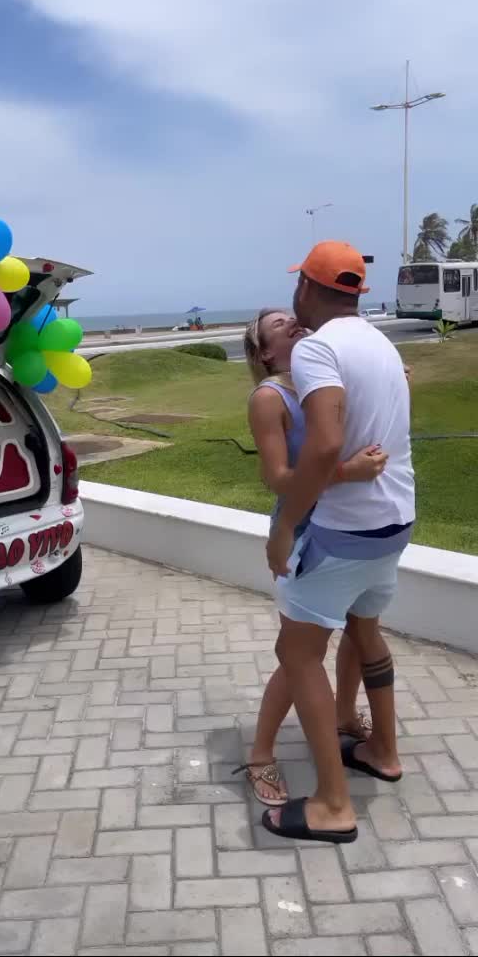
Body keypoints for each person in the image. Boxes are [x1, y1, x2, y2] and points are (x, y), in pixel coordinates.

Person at [265, 241, 414, 844]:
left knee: (298, 653)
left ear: (306, 286)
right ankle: (383, 751)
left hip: (345, 530)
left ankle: (332, 803)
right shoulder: (381, 343)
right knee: (366, 631)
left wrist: (284, 526)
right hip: (396, 522)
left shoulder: (318, 348)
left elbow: (325, 445)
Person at [238, 309, 386, 804]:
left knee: (356, 634)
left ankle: (343, 718)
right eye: (278, 324)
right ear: (264, 352)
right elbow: (278, 479)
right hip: (303, 533)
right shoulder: (270, 398)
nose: (293, 322)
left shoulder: (323, 379)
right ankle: (260, 754)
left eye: (292, 317)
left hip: (350, 528)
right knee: (300, 654)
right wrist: (348, 472)